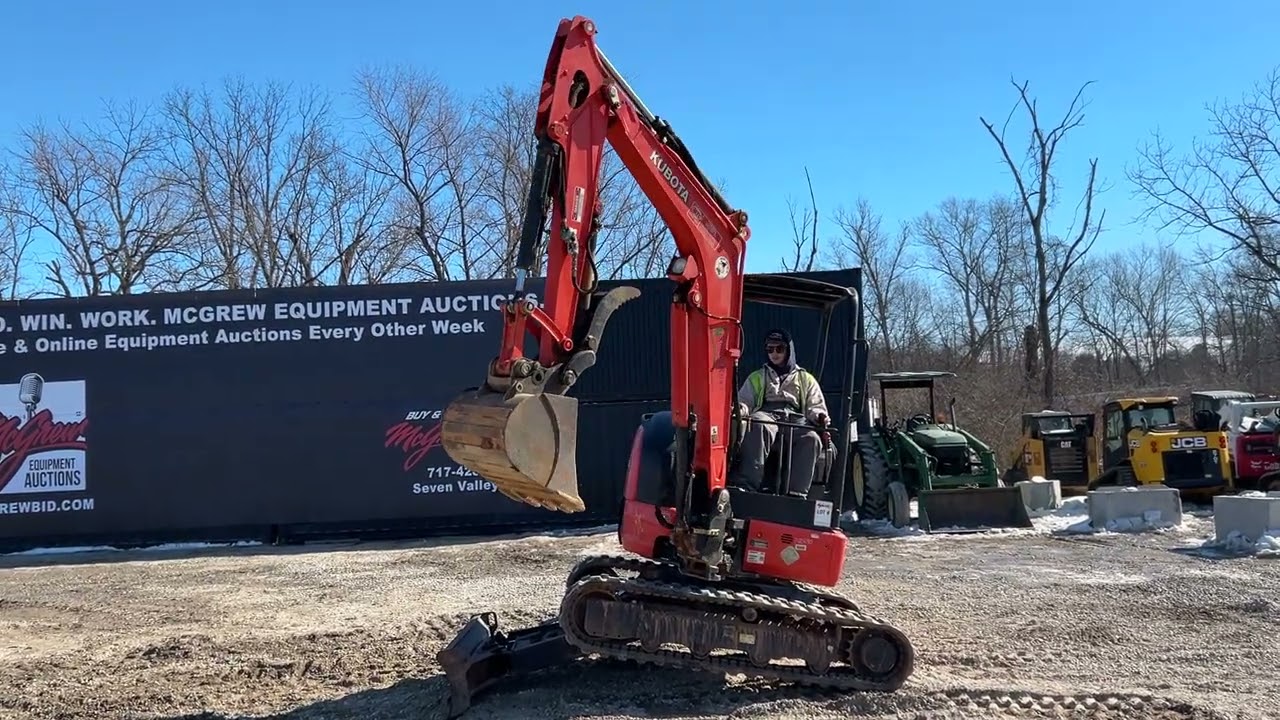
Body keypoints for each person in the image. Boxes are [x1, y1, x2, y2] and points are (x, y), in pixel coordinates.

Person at [729, 328, 832, 497]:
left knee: (811, 438)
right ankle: (747, 485)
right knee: (758, 424)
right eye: (770, 349)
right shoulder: (757, 376)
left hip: (796, 420)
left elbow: (816, 405)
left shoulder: (806, 379)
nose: (774, 353)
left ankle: (797, 493)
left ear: (789, 350)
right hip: (767, 414)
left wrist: (818, 416)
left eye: (779, 349)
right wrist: (740, 409)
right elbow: (745, 400)